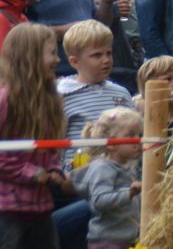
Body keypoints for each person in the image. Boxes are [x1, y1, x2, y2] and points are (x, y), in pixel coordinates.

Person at [0, 23, 68, 249]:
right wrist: (33, 173)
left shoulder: (51, 101)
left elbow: (50, 148)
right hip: (7, 210)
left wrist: (54, 170)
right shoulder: (5, 100)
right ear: (29, 57)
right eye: (51, 53)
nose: (57, 60)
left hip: (40, 209)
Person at [56, 21, 135, 171]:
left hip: (121, 174)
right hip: (80, 175)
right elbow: (56, 141)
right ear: (74, 61)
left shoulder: (121, 93)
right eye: (97, 55)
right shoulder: (62, 94)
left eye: (108, 53)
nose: (105, 60)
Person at [70, 107, 142, 249]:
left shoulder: (129, 166)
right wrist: (129, 193)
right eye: (130, 135)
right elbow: (99, 201)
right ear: (110, 144)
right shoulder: (102, 168)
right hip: (107, 241)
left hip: (128, 239)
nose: (138, 140)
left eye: (140, 135)